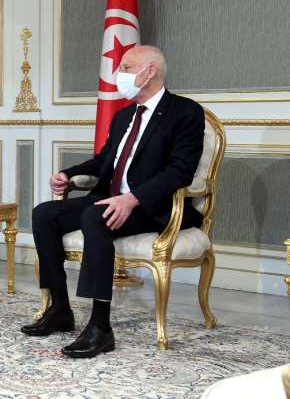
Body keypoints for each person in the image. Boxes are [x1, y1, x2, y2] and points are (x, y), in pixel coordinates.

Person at [20, 45, 205, 358]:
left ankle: (100, 326)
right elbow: (104, 160)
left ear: (150, 71)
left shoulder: (185, 112)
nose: (119, 74)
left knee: (95, 216)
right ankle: (60, 309)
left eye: (126, 67)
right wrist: (68, 174)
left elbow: (180, 170)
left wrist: (132, 199)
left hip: (152, 206)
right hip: (110, 198)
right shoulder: (123, 117)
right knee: (44, 214)